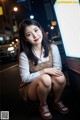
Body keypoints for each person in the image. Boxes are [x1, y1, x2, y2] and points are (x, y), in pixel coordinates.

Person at [18, 19, 69, 120]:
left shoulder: (53, 48)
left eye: (36, 30)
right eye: (29, 34)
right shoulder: (24, 55)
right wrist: (44, 72)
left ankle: (57, 101)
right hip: (31, 88)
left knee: (61, 77)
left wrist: (49, 77)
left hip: (49, 84)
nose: (34, 35)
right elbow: (25, 78)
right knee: (45, 78)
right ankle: (43, 105)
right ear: (25, 38)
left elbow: (57, 68)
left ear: (41, 30)